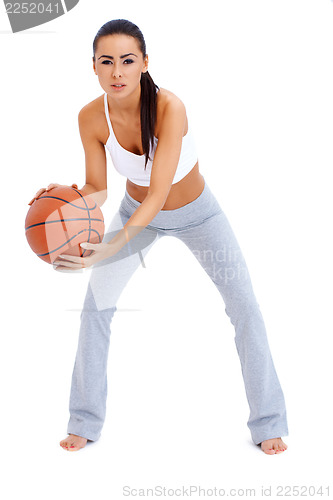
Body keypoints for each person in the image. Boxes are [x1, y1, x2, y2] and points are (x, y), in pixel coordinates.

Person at [28, 19, 288, 455]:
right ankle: (84, 420)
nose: (117, 72)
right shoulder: (91, 117)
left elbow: (160, 191)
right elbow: (99, 187)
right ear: (92, 67)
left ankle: (269, 422)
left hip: (198, 214)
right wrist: (62, 199)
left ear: (145, 64)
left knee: (244, 305)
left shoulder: (171, 107)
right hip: (136, 215)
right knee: (95, 309)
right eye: (106, 62)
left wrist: (109, 247)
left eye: (127, 61)